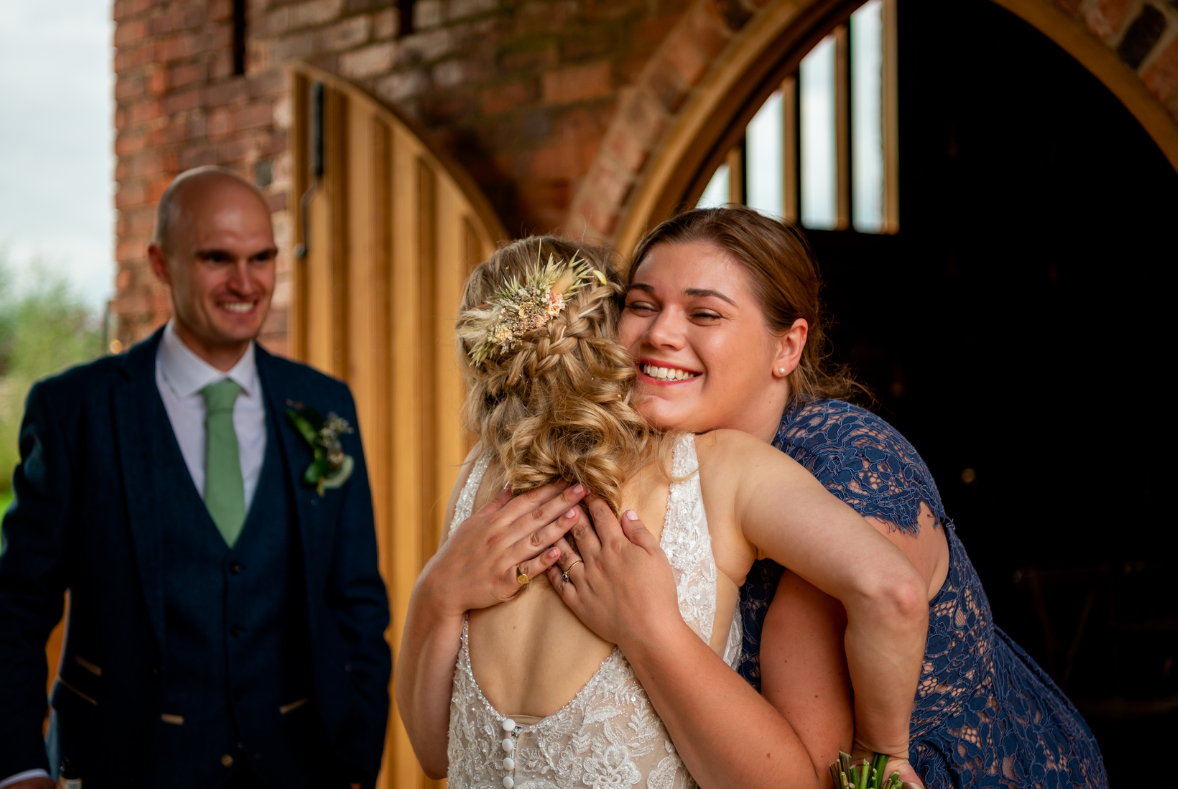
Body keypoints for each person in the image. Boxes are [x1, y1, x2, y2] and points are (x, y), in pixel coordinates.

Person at [547, 206, 1108, 787]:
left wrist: (645, 626)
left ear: (786, 348)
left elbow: (814, 775)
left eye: (704, 312)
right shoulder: (651, 462)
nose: (660, 333)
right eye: (641, 305)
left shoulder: (840, 466)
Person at [397, 236, 930, 789]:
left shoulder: (481, 477)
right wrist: (883, 754)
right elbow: (895, 591)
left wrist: (432, 597)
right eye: (644, 306)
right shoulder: (722, 469)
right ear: (612, 331)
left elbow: (434, 755)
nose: (661, 333)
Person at [0, 167, 391, 789]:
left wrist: (357, 757)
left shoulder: (324, 406)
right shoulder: (76, 411)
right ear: (161, 263)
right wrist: (17, 770)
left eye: (262, 257)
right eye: (217, 258)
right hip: (121, 765)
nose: (245, 283)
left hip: (299, 768)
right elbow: (15, 606)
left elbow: (357, 600)